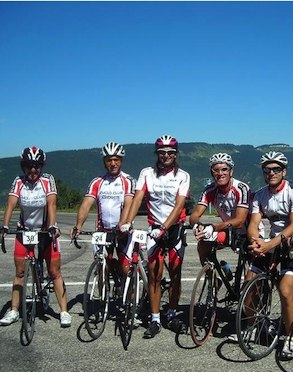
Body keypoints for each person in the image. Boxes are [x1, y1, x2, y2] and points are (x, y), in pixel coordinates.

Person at [119, 135, 190, 339]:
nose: (166, 156)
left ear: (175, 155)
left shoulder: (182, 175)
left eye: (170, 153)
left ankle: (172, 313)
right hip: (154, 229)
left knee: (175, 273)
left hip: (174, 228)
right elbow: (138, 197)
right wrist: (128, 221)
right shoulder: (147, 173)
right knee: (154, 274)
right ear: (156, 154)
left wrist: (166, 227)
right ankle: (155, 318)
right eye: (161, 153)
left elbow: (179, 205)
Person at [0, 146, 71, 327]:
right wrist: (5, 226)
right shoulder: (18, 182)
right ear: (23, 167)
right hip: (25, 231)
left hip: (46, 231)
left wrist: (52, 226)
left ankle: (63, 311)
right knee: (20, 272)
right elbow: (10, 205)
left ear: (41, 167)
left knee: (55, 272)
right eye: (29, 166)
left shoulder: (48, 180)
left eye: (37, 166)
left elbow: (52, 204)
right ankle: (14, 310)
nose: (33, 170)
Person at [247, 151, 293, 360]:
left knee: (285, 290)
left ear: (284, 171)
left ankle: (290, 339)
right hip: (269, 245)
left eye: (276, 169)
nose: (271, 173)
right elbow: (254, 223)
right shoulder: (260, 195)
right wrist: (255, 241)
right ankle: (254, 325)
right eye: (267, 170)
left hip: (290, 246)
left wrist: (269, 244)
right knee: (249, 281)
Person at [69, 142, 135, 279]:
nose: (113, 163)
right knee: (101, 268)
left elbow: (129, 204)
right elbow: (86, 204)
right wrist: (78, 226)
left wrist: (122, 225)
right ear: (104, 162)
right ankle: (102, 298)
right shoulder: (97, 182)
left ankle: (129, 297)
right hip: (102, 230)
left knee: (125, 269)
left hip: (123, 231)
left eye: (116, 159)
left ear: (121, 161)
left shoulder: (127, 180)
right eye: (109, 160)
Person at [189, 152, 252, 266]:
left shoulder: (241, 188)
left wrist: (213, 227)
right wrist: (198, 226)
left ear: (231, 171)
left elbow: (240, 221)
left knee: (252, 276)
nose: (220, 173)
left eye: (224, 169)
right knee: (203, 244)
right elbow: (195, 215)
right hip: (229, 232)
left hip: (249, 232)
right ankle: (212, 278)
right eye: (215, 170)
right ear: (212, 173)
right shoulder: (209, 190)